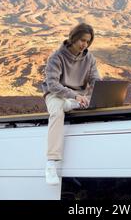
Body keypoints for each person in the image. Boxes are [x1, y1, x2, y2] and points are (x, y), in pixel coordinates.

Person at [42, 22, 101, 185]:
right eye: (82, 40)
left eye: (88, 41)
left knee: (96, 106)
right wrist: (74, 96)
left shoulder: (89, 58)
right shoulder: (56, 57)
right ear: (73, 38)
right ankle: (51, 163)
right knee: (57, 112)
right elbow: (53, 85)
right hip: (56, 94)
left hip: (78, 97)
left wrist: (101, 91)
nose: (85, 44)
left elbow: (95, 80)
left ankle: (70, 104)